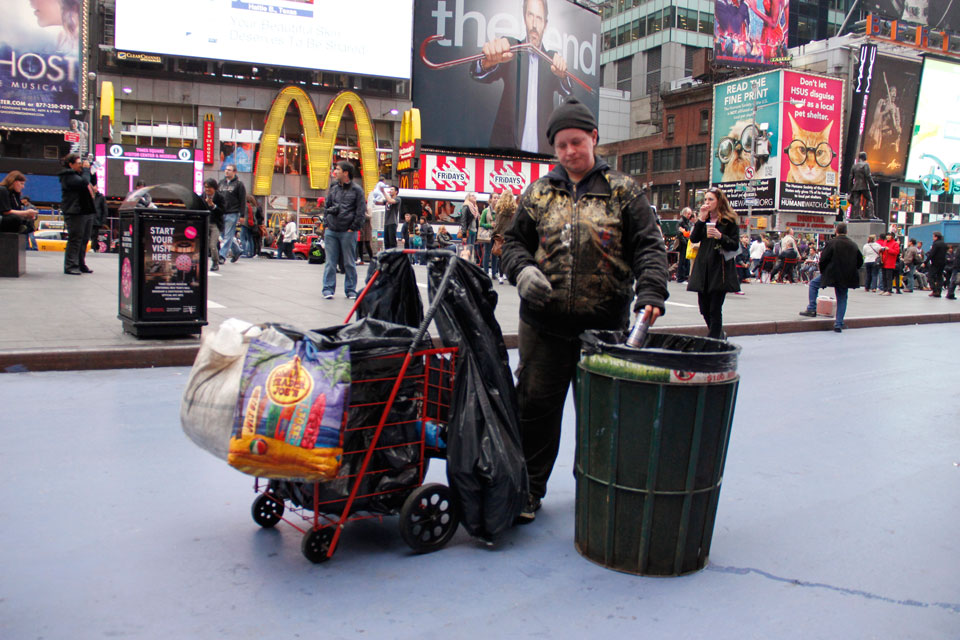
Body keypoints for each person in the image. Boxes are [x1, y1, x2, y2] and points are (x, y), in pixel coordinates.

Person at [501, 97, 668, 523]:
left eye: (577, 141)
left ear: (594, 137)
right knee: (535, 412)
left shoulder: (623, 191)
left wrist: (651, 292)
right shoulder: (538, 193)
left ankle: (597, 493)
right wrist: (521, 271)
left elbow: (650, 246)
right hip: (543, 325)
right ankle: (528, 491)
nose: (570, 152)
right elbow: (513, 244)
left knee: (601, 420)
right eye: (560, 145)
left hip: (604, 331)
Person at [469, 0, 572, 153]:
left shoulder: (552, 59)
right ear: (524, 17)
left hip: (543, 161)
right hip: (504, 159)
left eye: (539, 18)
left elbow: (569, 92)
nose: (534, 25)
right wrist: (487, 62)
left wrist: (563, 76)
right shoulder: (511, 47)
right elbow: (477, 73)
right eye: (531, 15)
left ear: (545, 23)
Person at [687, 187, 740, 338]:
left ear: (719, 201)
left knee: (715, 308)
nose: (707, 203)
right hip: (703, 267)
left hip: (719, 268)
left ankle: (714, 339)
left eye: (711, 199)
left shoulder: (728, 220)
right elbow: (694, 239)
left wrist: (720, 236)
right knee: (703, 308)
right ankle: (718, 334)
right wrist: (701, 220)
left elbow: (735, 244)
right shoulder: (703, 219)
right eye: (705, 200)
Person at [798, 223, 863, 332]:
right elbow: (860, 262)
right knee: (842, 297)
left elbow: (823, 259)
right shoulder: (853, 244)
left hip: (831, 273)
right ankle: (838, 323)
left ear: (836, 231)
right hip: (845, 275)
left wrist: (824, 272)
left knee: (813, 284)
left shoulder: (832, 243)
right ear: (846, 232)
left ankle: (812, 308)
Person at [322, 161, 365, 300]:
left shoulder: (357, 190)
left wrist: (352, 228)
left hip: (348, 231)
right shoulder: (334, 188)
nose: (335, 172)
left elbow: (361, 212)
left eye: (338, 169)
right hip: (331, 230)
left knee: (349, 262)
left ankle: (351, 290)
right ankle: (328, 289)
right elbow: (326, 206)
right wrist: (326, 224)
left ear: (346, 173)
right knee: (330, 262)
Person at [57, 153, 95, 275]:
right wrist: (86, 170)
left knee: (84, 239)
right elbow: (84, 182)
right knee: (75, 238)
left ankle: (80, 263)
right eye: (78, 163)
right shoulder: (68, 176)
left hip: (84, 210)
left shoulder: (79, 175)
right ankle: (70, 265)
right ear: (70, 164)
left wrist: (91, 171)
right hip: (74, 211)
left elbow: (90, 181)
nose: (80, 165)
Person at [218, 164, 246, 264]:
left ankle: (222, 255)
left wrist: (242, 215)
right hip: (221, 212)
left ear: (234, 172)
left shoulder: (239, 184)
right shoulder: (221, 183)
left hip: (232, 212)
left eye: (229, 170)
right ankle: (237, 250)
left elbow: (242, 200)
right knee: (223, 234)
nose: (226, 171)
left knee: (228, 234)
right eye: (226, 169)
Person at [0, 171, 39, 237]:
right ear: (14, 182)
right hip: (2, 217)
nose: (23, 187)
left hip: (8, 217)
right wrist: (26, 213)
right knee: (14, 219)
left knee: (28, 222)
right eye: (21, 184)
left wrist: (27, 216)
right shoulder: (3, 190)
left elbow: (16, 211)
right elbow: (6, 211)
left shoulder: (15, 194)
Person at [492, 191, 518, 284]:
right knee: (510, 256)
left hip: (501, 235)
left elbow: (498, 224)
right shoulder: (514, 209)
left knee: (501, 257)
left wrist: (494, 233)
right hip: (511, 235)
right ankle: (510, 276)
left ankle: (501, 277)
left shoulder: (499, 209)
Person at [200, 179, 225, 271]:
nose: (207, 189)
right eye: (205, 187)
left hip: (215, 224)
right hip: (205, 223)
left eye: (209, 187)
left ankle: (215, 262)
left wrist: (213, 205)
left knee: (213, 245)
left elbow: (222, 211)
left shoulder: (220, 197)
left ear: (214, 188)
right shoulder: (202, 196)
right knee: (204, 244)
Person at [849, 152, 877, 220]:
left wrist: (851, 188)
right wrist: (873, 185)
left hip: (856, 187)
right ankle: (870, 214)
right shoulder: (866, 165)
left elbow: (850, 178)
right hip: (864, 185)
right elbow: (868, 176)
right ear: (864, 157)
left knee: (856, 201)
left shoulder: (854, 166)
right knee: (869, 199)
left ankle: (856, 215)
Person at [479, 193, 499, 280]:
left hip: (497, 234)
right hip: (487, 234)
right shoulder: (485, 211)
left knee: (495, 253)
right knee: (487, 253)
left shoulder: (499, 210)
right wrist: (490, 225)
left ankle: (494, 273)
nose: (496, 199)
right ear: (490, 199)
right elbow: (481, 223)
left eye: (498, 198)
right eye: (494, 198)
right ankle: (486, 272)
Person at [925, 231, 947, 298]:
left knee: (930, 276)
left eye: (933, 236)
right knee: (939, 277)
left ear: (936, 237)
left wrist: (926, 262)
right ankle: (939, 291)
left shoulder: (935, 244)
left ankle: (934, 290)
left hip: (935, 263)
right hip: (942, 263)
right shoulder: (944, 244)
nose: (932, 238)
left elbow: (932, 254)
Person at [459, 193, 480, 261]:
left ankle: (470, 264)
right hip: (468, 231)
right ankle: (466, 264)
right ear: (468, 197)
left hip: (474, 230)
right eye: (472, 195)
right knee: (467, 250)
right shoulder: (466, 207)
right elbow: (463, 221)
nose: (474, 197)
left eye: (474, 195)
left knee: (472, 250)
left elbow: (476, 221)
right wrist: (464, 235)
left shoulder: (475, 207)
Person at [89, 183, 108, 253]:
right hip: (90, 218)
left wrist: (103, 220)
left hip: (97, 219)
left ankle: (93, 247)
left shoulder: (101, 197)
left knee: (94, 234)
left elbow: (104, 209)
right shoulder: (90, 196)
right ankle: (96, 246)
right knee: (91, 234)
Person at [382, 186, 400, 250]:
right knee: (386, 242)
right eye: (390, 189)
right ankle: (387, 257)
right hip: (386, 222)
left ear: (396, 191)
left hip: (392, 222)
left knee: (392, 242)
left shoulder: (398, 199)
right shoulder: (388, 199)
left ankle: (394, 257)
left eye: (392, 189)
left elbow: (391, 201)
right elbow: (379, 202)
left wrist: (383, 191)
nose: (390, 191)